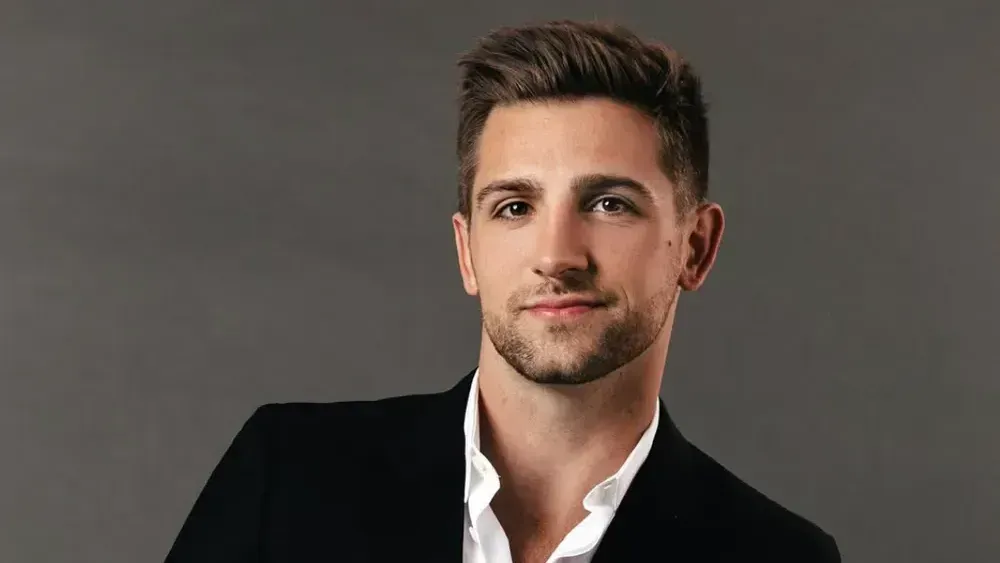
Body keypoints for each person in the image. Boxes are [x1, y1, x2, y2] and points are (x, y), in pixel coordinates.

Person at [164, 19, 840, 563]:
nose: (556, 256)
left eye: (609, 203)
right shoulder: (287, 479)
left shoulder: (778, 555)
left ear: (695, 246)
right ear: (467, 251)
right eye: (515, 207)